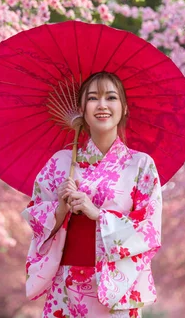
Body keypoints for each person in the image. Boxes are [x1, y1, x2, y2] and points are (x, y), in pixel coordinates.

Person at [21, 71, 163, 318]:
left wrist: (98, 214)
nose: (102, 105)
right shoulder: (61, 163)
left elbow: (149, 230)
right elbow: (35, 220)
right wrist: (60, 209)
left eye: (111, 97)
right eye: (93, 98)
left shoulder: (141, 165)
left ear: (124, 108)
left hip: (114, 284)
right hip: (66, 285)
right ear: (82, 109)